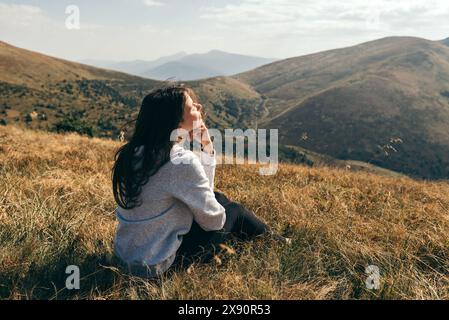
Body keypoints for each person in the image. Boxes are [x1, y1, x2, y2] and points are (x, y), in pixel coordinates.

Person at [111, 85, 288, 279]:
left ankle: (273, 239)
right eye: (192, 107)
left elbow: (202, 193)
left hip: (123, 258)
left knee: (218, 197)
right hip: (155, 267)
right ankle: (279, 243)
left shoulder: (132, 153)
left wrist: (206, 147)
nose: (199, 106)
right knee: (235, 211)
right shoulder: (180, 161)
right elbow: (213, 220)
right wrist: (208, 148)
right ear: (177, 121)